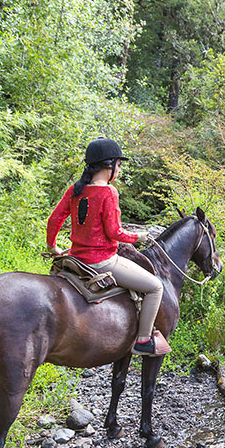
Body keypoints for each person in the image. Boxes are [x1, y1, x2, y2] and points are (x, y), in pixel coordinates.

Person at [46, 137, 164, 356]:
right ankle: (143, 341)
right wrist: (137, 237)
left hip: (75, 258)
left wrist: (53, 247)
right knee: (156, 287)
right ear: (109, 165)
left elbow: (54, 219)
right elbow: (114, 233)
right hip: (102, 261)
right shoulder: (109, 192)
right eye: (118, 164)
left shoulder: (75, 189)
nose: (119, 169)